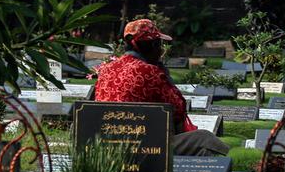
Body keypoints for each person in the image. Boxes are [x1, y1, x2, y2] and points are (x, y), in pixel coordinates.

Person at [93, 19, 229, 157]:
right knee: (205, 139)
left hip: (108, 143)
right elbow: (178, 108)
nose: (161, 50)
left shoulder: (106, 70)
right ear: (153, 45)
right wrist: (163, 72)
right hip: (144, 147)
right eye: (160, 44)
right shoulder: (150, 71)